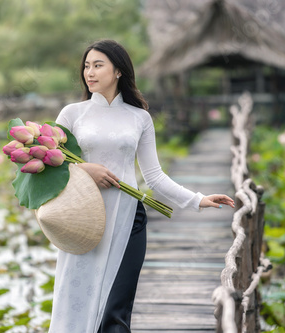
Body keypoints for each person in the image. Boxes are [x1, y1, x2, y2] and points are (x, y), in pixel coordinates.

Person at [52, 39, 235, 333]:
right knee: (77, 298)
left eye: (98, 65)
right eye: (87, 66)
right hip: (83, 219)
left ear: (119, 71)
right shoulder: (72, 114)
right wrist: (84, 169)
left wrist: (197, 200)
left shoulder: (139, 117)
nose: (90, 72)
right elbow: (53, 164)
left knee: (116, 310)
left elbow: (154, 176)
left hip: (128, 219)